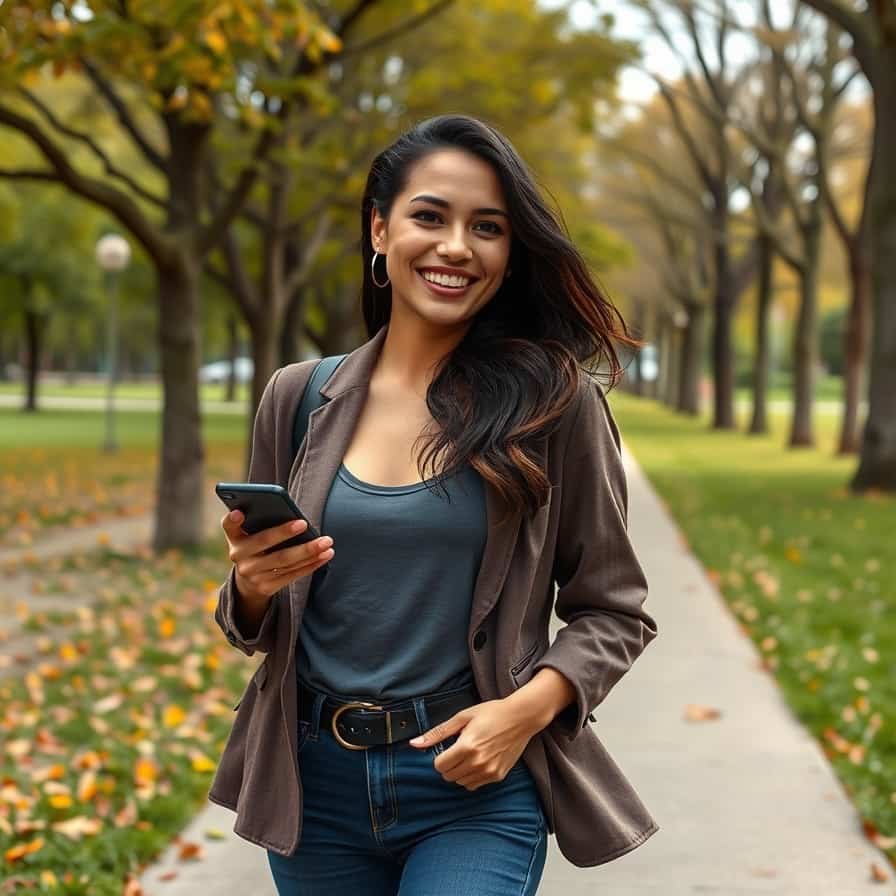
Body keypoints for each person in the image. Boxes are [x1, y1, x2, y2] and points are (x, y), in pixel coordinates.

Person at [209, 114, 659, 895]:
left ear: (510, 254)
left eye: (487, 227)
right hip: (313, 787)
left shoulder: (555, 405)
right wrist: (249, 588)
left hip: (472, 790)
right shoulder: (298, 396)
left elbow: (615, 610)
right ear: (380, 231)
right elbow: (256, 619)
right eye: (430, 216)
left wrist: (523, 712)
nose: (457, 246)